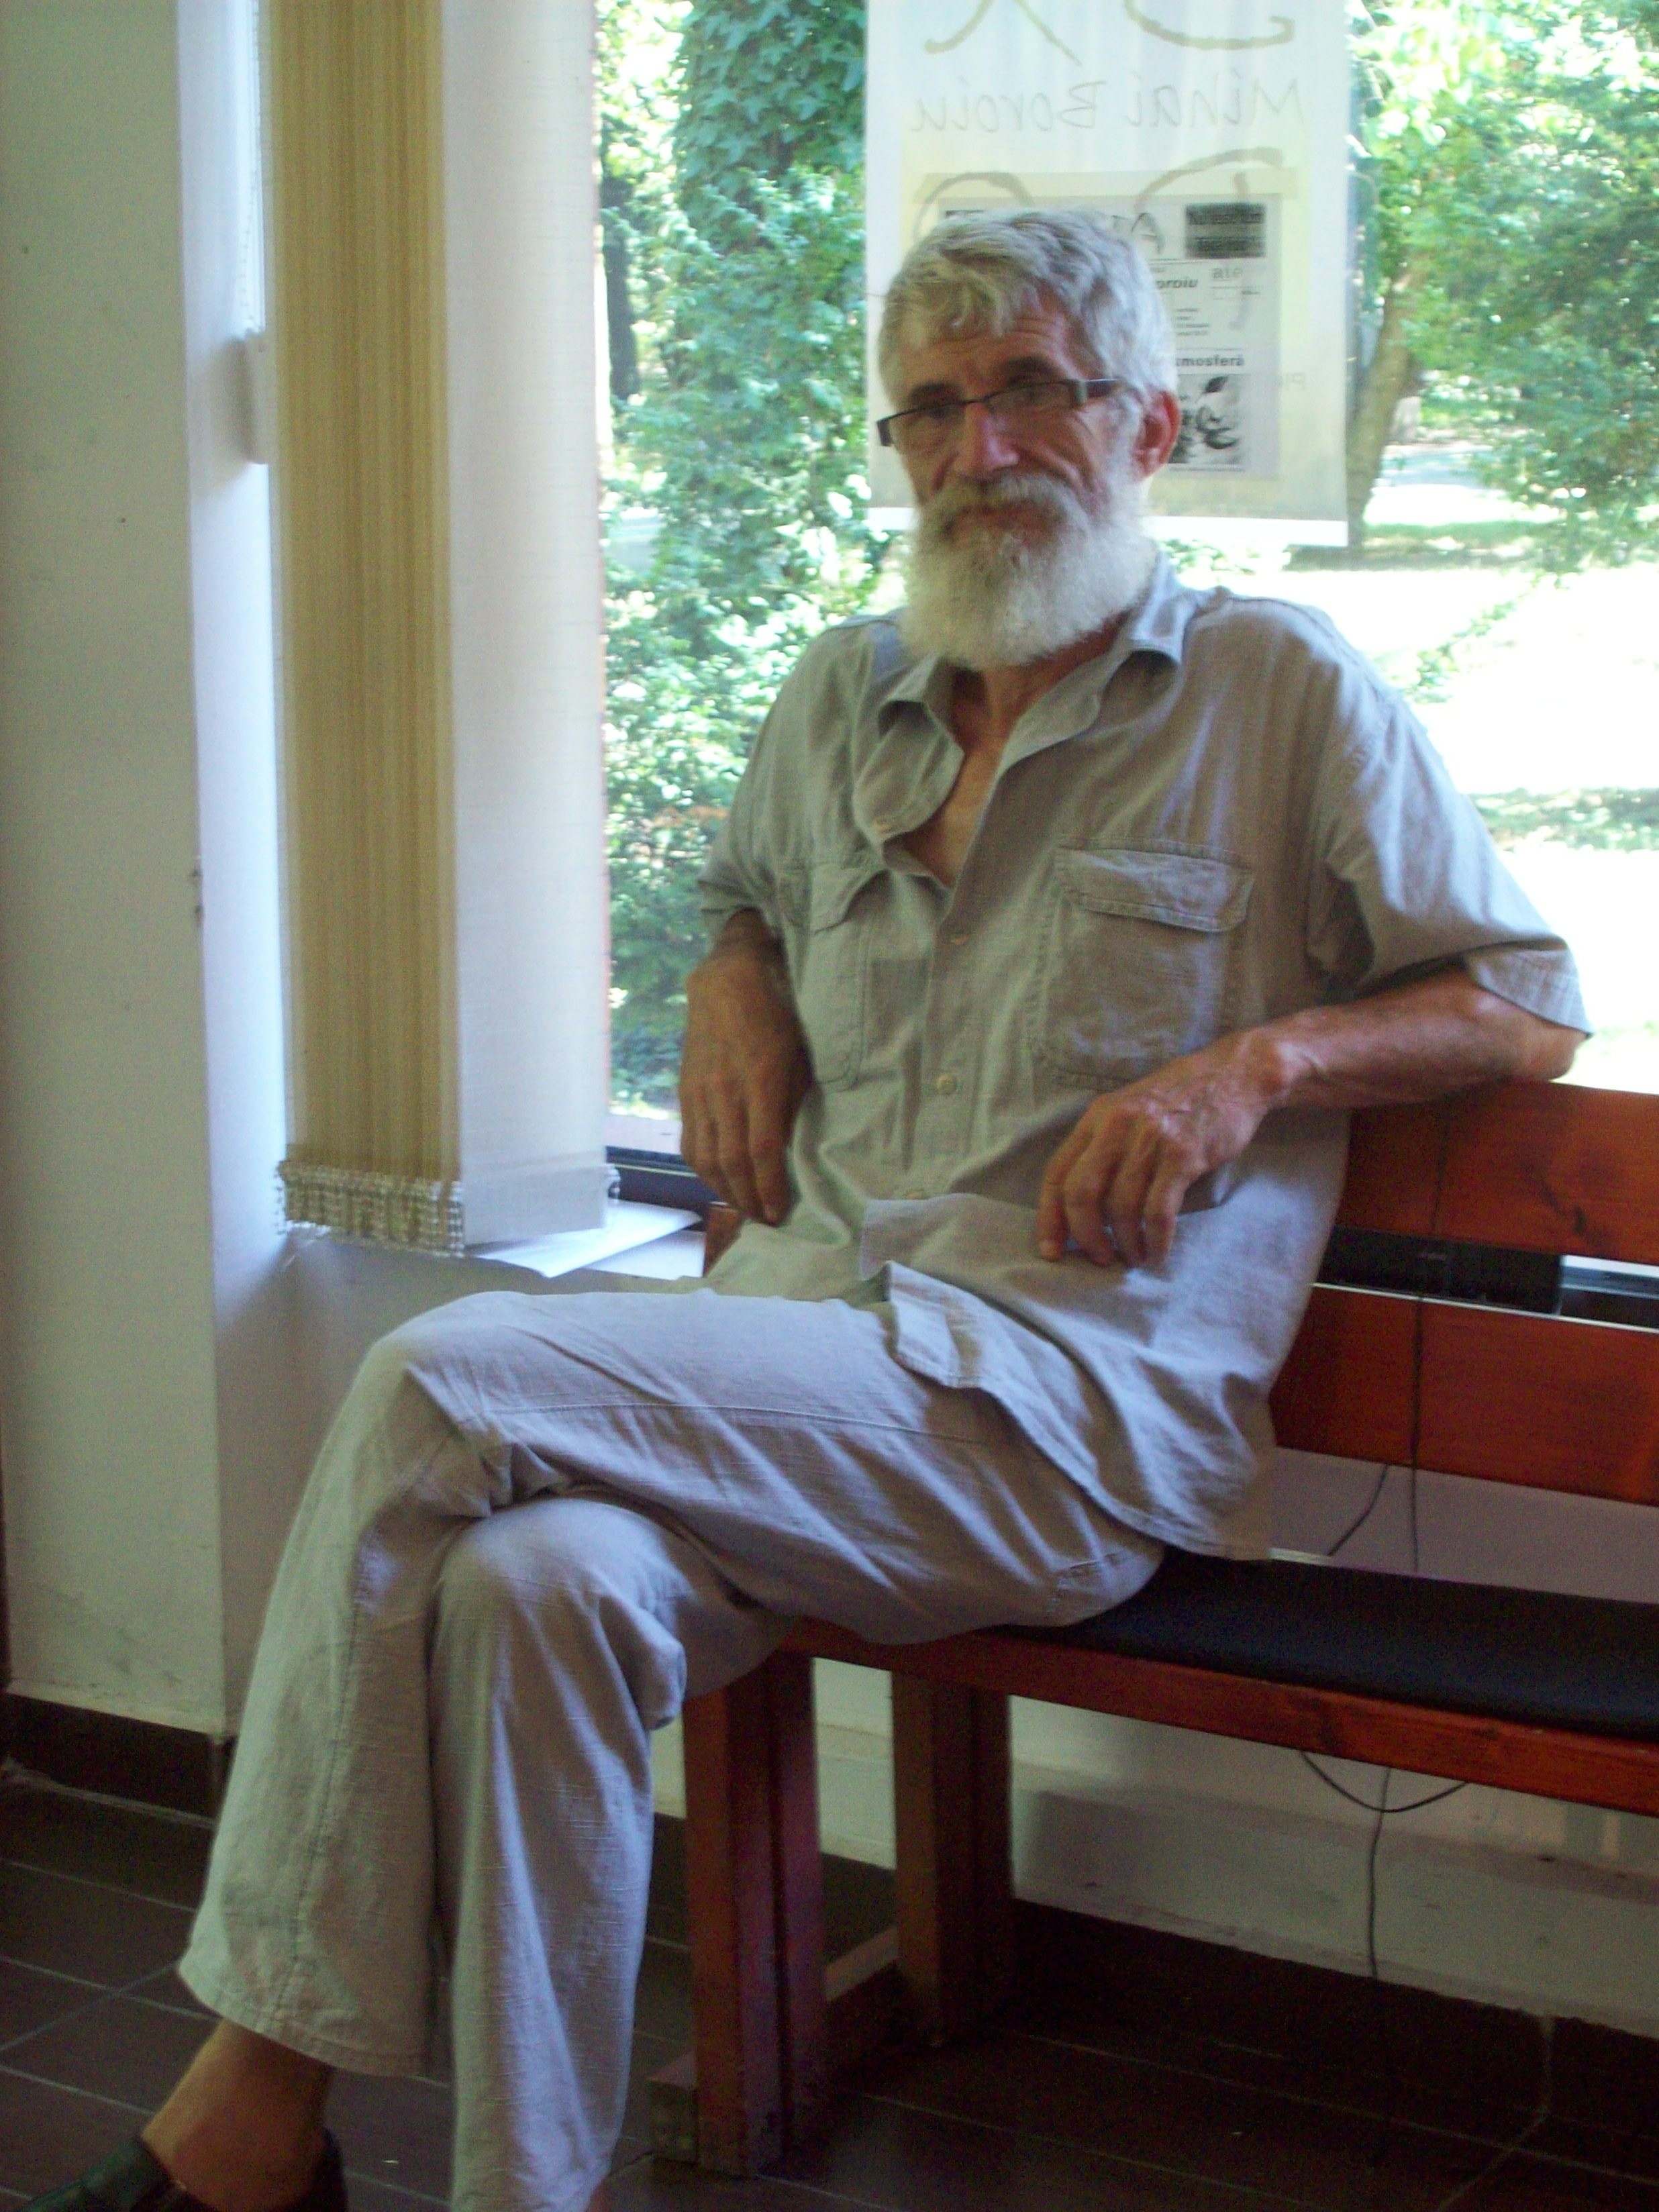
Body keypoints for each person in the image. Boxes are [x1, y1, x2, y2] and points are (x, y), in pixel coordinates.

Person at [32, 208, 1587, 2212]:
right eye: (930, 409)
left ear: (1147, 424)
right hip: (795, 1366)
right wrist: (731, 968)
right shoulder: (842, 694)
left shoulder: (1276, 692)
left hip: (1052, 1418)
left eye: (1029, 390)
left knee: (438, 1380)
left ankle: (244, 2127)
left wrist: (1255, 1066)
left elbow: (1523, 999)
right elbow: (742, 897)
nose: (976, 449)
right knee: (528, 1592)